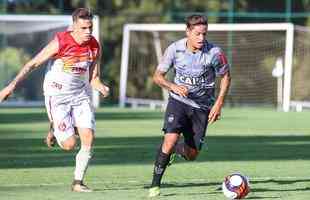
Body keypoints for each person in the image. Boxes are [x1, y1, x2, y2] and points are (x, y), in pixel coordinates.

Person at [0, 8, 109, 192]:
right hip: (56, 95)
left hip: (79, 95)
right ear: (74, 26)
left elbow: (94, 77)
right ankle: (55, 127)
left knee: (88, 137)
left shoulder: (95, 46)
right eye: (83, 28)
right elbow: (32, 63)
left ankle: (77, 182)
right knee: (69, 145)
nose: (88, 32)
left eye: (90, 27)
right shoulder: (61, 41)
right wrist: (10, 86)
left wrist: (100, 86)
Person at [148, 14, 231, 197]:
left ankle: (173, 150)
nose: (201, 38)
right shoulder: (174, 49)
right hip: (178, 102)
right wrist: (173, 86)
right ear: (188, 32)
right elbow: (157, 76)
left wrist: (219, 103)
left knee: (192, 154)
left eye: (204, 34)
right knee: (168, 141)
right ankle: (155, 185)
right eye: (197, 34)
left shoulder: (215, 53)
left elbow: (226, 76)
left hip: (202, 107)